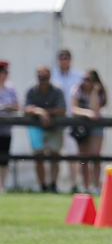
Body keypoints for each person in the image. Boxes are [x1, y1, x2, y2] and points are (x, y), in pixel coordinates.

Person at [23, 65, 66, 192]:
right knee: (39, 157)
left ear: (50, 76)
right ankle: (42, 186)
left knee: (55, 155)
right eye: (40, 77)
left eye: (45, 77)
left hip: (55, 128)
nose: (42, 80)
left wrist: (45, 112)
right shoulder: (31, 89)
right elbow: (25, 108)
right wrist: (39, 111)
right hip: (37, 128)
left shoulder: (57, 89)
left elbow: (62, 109)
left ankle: (53, 184)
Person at [51, 49, 84, 190]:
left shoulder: (79, 76)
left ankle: (74, 183)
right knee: (55, 153)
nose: (64, 60)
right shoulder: (52, 76)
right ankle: (53, 183)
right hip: (57, 120)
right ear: (58, 60)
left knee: (73, 154)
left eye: (66, 58)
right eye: (62, 58)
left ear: (70, 60)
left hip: (73, 120)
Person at [70, 70, 107, 194]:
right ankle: (85, 187)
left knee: (95, 156)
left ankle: (96, 187)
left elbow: (95, 109)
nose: (86, 82)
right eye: (84, 79)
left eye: (89, 79)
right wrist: (87, 113)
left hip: (96, 126)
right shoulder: (77, 90)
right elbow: (74, 109)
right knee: (84, 158)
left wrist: (94, 92)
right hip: (82, 126)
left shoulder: (99, 93)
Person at [0, 60, 19, 193]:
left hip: (6, 129)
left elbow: (17, 106)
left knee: (4, 158)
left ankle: (2, 186)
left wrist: (8, 106)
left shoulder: (10, 87)